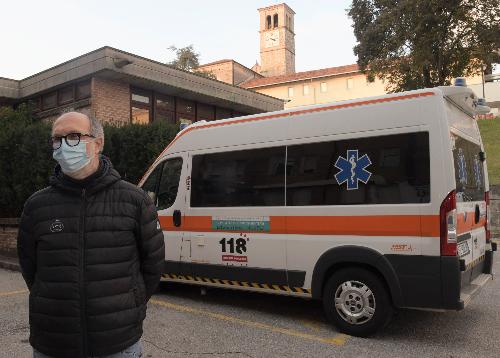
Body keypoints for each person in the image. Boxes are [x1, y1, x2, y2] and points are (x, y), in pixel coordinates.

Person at [17, 112, 165, 358]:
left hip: (117, 342)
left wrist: (131, 303)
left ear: (98, 143)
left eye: (74, 136)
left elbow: (153, 264)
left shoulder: (134, 201)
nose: (64, 145)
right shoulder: (37, 205)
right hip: (53, 341)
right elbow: (30, 268)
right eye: (57, 139)